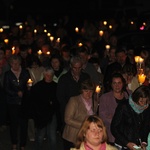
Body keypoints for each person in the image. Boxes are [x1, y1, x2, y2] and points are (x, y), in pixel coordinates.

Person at [56, 55, 90, 133]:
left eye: (79, 68)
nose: (77, 70)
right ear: (71, 66)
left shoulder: (86, 77)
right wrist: (69, 108)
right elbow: (60, 97)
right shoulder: (64, 79)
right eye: (75, 68)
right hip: (68, 110)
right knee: (68, 133)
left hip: (83, 110)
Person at [3, 55, 30, 150]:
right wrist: (16, 93)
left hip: (23, 103)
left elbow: (29, 84)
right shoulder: (8, 74)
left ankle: (23, 145)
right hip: (12, 103)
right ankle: (14, 143)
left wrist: (27, 89)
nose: (16, 65)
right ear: (10, 64)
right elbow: (6, 88)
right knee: (14, 125)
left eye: (17, 63)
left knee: (24, 125)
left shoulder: (25, 72)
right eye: (14, 63)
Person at [62, 78, 98, 150]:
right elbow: (68, 119)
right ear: (82, 91)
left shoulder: (95, 102)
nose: (88, 93)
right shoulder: (74, 100)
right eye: (86, 91)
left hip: (86, 138)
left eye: (91, 91)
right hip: (72, 137)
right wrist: (85, 125)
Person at [111, 85, 150, 150]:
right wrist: (127, 143)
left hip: (137, 145)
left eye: (145, 102)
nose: (142, 104)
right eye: (141, 101)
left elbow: (145, 127)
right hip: (122, 145)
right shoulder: (124, 106)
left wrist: (144, 142)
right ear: (136, 98)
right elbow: (114, 128)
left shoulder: (146, 108)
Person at [29, 67, 58, 150]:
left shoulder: (55, 86)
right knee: (40, 136)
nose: (49, 77)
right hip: (41, 115)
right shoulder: (38, 86)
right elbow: (33, 101)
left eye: (50, 75)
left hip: (52, 114)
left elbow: (57, 100)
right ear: (44, 75)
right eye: (47, 75)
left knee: (52, 136)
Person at [99, 72, 132, 144]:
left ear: (123, 83)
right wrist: (119, 122)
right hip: (111, 135)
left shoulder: (129, 94)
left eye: (119, 83)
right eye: (114, 83)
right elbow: (103, 117)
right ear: (111, 84)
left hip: (127, 135)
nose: (117, 86)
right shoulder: (105, 97)